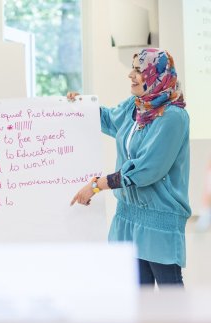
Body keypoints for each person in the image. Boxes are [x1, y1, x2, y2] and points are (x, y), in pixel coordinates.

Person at [68, 48, 191, 287]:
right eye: (133, 69)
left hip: (159, 221)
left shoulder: (173, 117)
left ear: (157, 75)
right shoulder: (135, 107)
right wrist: (77, 104)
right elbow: (108, 119)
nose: (130, 75)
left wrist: (96, 185)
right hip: (127, 216)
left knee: (172, 305)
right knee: (135, 304)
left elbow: (146, 170)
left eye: (138, 70)